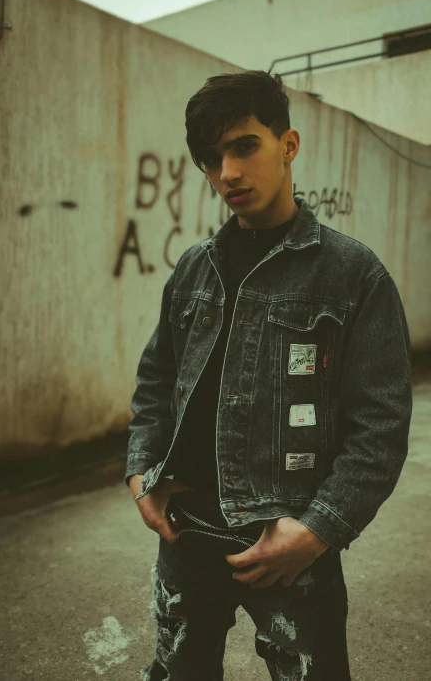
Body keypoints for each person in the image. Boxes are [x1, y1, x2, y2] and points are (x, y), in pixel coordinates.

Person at [126, 70, 413, 680]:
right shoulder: (192, 270)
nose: (227, 172)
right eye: (211, 159)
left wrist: (318, 532)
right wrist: (141, 469)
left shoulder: (353, 276)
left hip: (289, 542)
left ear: (288, 145)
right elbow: (156, 381)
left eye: (244, 146)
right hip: (187, 534)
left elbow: (380, 427)